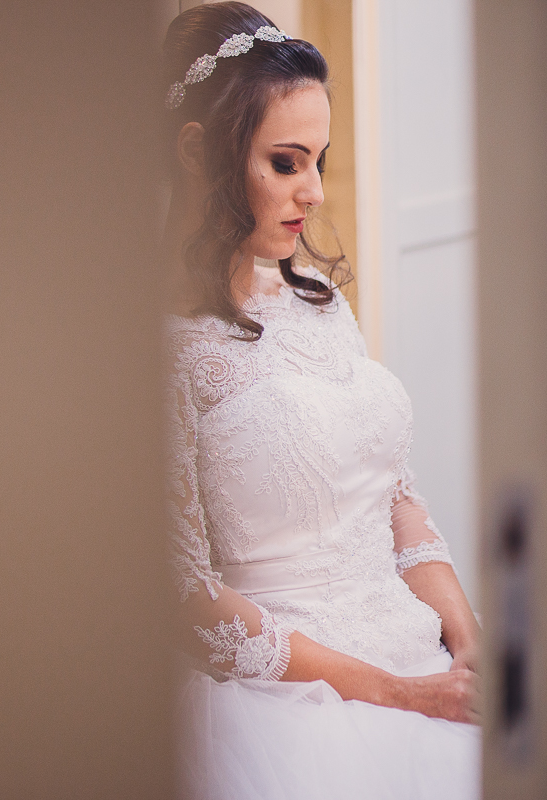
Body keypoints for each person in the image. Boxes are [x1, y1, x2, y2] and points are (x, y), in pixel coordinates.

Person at [160, 3, 482, 798]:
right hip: (292, 709)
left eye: (320, 160)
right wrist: (399, 693)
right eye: (285, 162)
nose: (312, 191)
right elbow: (189, 594)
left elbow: (397, 496)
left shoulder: (317, 303)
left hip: (423, 660)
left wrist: (469, 649)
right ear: (201, 154)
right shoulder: (159, 346)